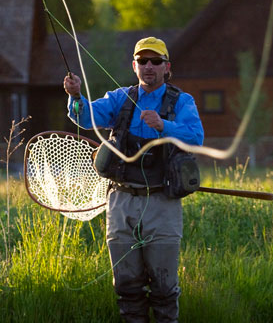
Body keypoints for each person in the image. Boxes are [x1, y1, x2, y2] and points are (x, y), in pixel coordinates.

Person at [63, 37, 204, 323]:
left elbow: (196, 137)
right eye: (142, 61)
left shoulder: (182, 102)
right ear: (134, 66)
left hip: (163, 203)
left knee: (164, 288)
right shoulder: (119, 99)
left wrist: (164, 125)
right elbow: (86, 118)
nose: (148, 66)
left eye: (155, 61)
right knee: (127, 287)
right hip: (122, 201)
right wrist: (75, 96)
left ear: (167, 67)